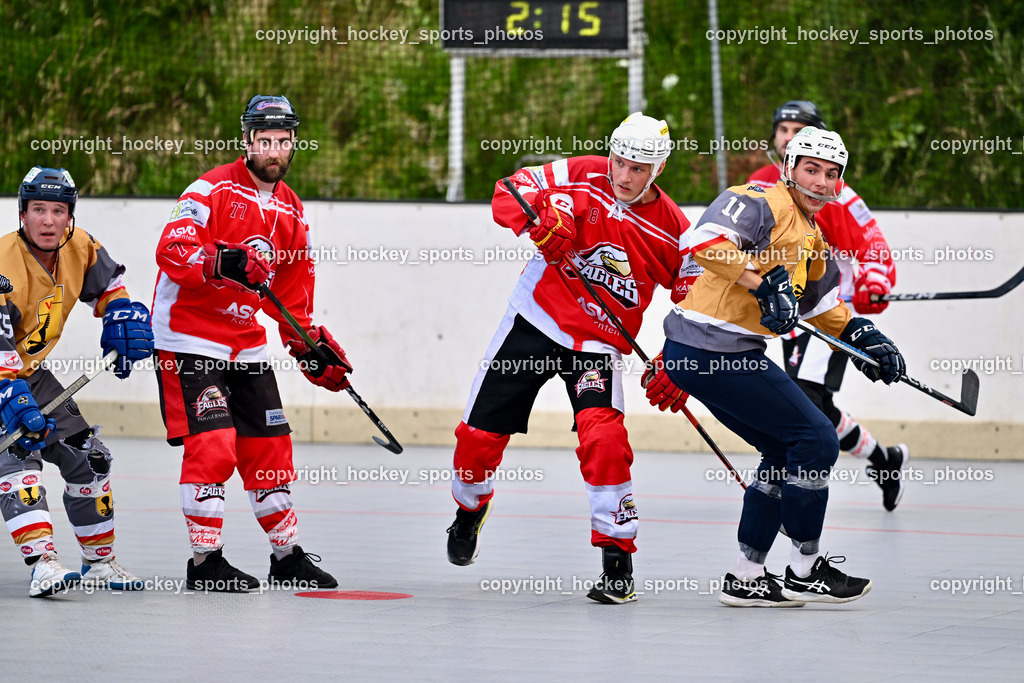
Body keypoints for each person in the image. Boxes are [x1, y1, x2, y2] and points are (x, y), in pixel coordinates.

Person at [445, 113, 697, 604]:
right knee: (476, 438)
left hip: (598, 347)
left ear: (659, 169)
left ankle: (617, 556)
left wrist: (679, 357)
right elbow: (508, 190)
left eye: (638, 168)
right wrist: (537, 219)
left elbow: (696, 299)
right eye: (619, 161)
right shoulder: (580, 171)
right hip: (534, 319)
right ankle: (470, 509)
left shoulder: (675, 231)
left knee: (604, 439)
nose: (624, 176)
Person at [661, 127, 906, 606]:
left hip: (725, 354)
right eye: (810, 169)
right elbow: (706, 243)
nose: (820, 182)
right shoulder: (759, 199)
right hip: (711, 351)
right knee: (815, 438)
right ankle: (805, 567)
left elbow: (820, 308)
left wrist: (865, 338)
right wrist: (760, 282)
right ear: (788, 168)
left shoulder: (813, 237)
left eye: (831, 174)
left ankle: (746, 577)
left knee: (781, 451)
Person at [153, 94, 349, 592]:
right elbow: (171, 251)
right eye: (265, 140)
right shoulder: (210, 189)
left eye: (283, 141)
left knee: (271, 447)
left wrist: (308, 347)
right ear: (246, 141)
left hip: (246, 344)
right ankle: (205, 564)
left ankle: (285, 558)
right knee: (214, 447)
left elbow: (291, 293)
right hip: (189, 334)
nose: (274, 150)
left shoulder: (293, 211)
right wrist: (221, 262)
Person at [0, 166, 154, 597]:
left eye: (58, 210)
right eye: (38, 210)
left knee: (90, 457)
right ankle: (43, 562)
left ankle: (99, 563)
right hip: (1, 374)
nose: (48, 220)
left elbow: (110, 287)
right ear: (22, 214)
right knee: (19, 456)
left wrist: (121, 315)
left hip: (32, 372)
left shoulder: (82, 246)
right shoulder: (1, 263)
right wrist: (12, 398)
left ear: (69, 215)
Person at [749, 101, 907, 511]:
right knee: (811, 402)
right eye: (782, 128)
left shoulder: (831, 188)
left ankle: (793, 488)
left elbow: (871, 242)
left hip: (827, 302)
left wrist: (874, 281)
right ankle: (883, 459)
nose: (787, 136)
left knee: (804, 399)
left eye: (797, 129)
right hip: (788, 304)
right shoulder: (761, 183)